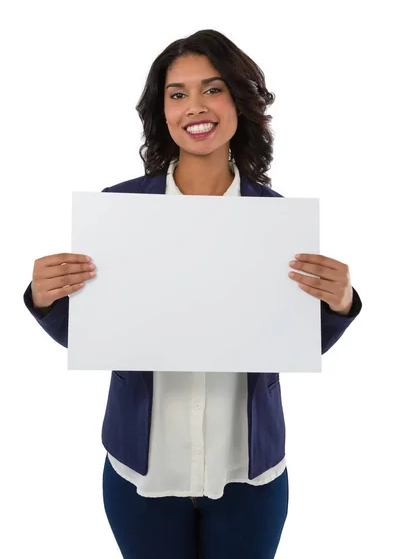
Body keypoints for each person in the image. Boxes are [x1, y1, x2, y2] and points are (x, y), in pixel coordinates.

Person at [23, 29, 362, 559]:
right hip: (143, 471)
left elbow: (293, 343)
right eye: (177, 94)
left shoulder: (277, 220)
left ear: (239, 101)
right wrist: (46, 298)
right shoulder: (119, 212)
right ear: (161, 111)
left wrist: (340, 303)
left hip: (250, 472)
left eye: (213, 89)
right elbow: (99, 334)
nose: (195, 107)